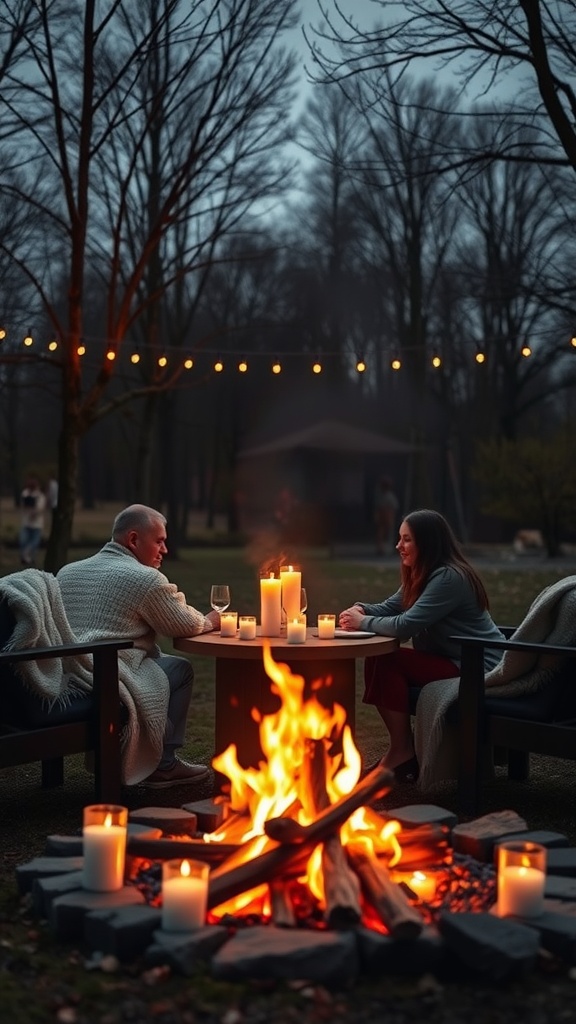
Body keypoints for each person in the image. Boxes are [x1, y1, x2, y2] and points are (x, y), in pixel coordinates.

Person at [57, 504, 221, 789]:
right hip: (105, 678)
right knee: (180, 669)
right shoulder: (144, 578)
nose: (165, 550)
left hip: (62, 676)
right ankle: (164, 765)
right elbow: (180, 624)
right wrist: (212, 620)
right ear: (133, 540)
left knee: (159, 665)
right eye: (159, 541)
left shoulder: (68, 572)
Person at [338, 508, 505, 782]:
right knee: (381, 656)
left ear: (426, 542)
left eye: (406, 540)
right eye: (399, 538)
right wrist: (361, 609)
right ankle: (401, 750)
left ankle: (402, 752)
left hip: (477, 666)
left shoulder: (449, 577)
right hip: (453, 659)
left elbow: (406, 625)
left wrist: (362, 622)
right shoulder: (424, 573)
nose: (398, 546)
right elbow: (390, 607)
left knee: (387, 657)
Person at [19, 475, 47, 566]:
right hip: (26, 523)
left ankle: (30, 558)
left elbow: (40, 509)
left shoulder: (40, 496)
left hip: (36, 524)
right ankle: (25, 558)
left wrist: (33, 513)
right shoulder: (25, 493)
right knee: (23, 541)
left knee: (34, 543)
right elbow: (23, 505)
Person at [373, 476, 399, 555]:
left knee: (385, 532)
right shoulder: (384, 496)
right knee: (382, 532)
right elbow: (393, 506)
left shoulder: (387, 496)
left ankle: (384, 548)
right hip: (385, 516)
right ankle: (381, 548)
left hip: (387, 516)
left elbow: (393, 507)